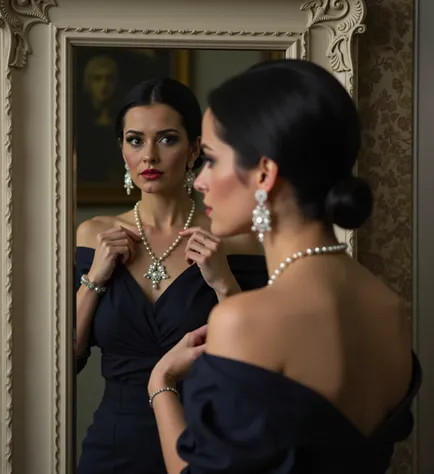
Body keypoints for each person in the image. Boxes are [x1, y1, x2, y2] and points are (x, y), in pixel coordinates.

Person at [147, 59, 421, 474]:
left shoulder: (242, 320)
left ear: (264, 173)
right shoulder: (389, 309)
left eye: (211, 159)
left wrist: (161, 386)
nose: (199, 180)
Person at [75, 77, 268, 474]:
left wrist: (222, 282)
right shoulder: (94, 234)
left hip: (206, 442)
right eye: (135, 140)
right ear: (121, 150)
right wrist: (94, 278)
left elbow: (258, 364)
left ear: (195, 148)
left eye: (166, 139)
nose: (149, 156)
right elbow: (66, 360)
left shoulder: (237, 241)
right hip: (113, 447)